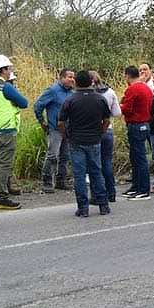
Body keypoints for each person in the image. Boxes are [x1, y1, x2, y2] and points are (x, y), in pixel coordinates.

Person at [58, 70, 111, 217]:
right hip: (94, 139)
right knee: (96, 172)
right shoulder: (100, 99)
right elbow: (107, 120)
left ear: (76, 82)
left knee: (79, 175)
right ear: (91, 81)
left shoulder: (70, 100)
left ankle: (83, 208)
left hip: (76, 140)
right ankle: (103, 205)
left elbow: (61, 122)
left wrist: (66, 135)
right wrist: (100, 132)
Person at [0, 54, 28, 210]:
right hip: (6, 130)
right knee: (4, 165)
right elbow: (24, 103)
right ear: (3, 70)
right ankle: (2, 197)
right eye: (9, 68)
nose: (10, 71)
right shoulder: (6, 87)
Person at [34, 68, 75, 193]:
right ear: (62, 78)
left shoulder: (72, 92)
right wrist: (42, 121)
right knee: (52, 155)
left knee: (65, 156)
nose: (72, 79)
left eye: (73, 77)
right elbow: (38, 105)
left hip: (68, 129)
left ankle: (61, 181)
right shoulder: (52, 90)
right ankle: (47, 182)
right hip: (55, 128)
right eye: (69, 77)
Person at [120, 65, 153, 200]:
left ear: (128, 76)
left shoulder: (132, 89)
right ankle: (136, 186)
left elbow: (127, 109)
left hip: (136, 123)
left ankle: (143, 189)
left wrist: (119, 105)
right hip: (145, 122)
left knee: (138, 158)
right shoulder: (146, 87)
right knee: (137, 157)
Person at [89, 70, 122, 204]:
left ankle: (97, 195)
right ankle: (111, 193)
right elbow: (117, 112)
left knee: (94, 165)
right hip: (107, 130)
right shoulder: (110, 92)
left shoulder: (88, 94)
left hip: (92, 132)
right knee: (106, 162)